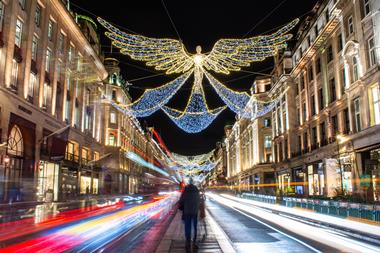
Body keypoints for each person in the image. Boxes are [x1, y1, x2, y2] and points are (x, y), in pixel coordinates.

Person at [178, 177, 200, 249]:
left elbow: (181, 200)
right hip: (195, 211)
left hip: (187, 211)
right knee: (195, 227)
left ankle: (188, 242)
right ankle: (194, 242)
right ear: (193, 182)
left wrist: (182, 204)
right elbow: (198, 199)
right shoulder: (196, 189)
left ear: (188, 182)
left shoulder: (186, 189)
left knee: (187, 226)